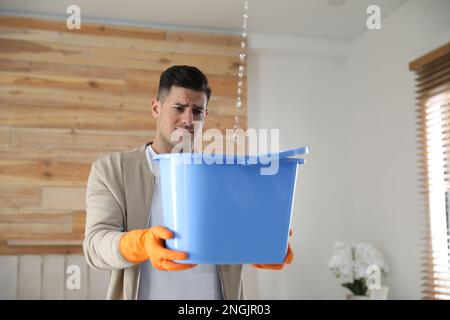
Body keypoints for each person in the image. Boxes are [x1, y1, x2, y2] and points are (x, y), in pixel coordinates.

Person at [83, 65, 294, 300]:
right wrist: (141, 243)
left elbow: (234, 239)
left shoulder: (226, 173)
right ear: (156, 108)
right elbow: (95, 246)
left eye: (197, 111)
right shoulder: (112, 171)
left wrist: (262, 245)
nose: (187, 119)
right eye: (179, 108)